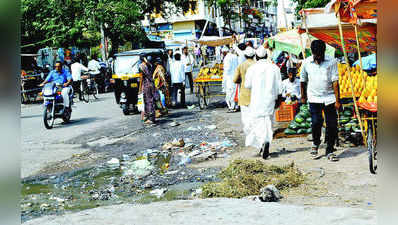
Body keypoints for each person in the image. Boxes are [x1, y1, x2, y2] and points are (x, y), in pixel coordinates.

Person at [300, 40, 340, 161]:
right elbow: (303, 80)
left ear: (324, 52)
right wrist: (303, 96)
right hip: (314, 98)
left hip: (329, 98)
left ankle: (330, 149)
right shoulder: (306, 62)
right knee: (316, 122)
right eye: (316, 55)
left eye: (320, 55)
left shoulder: (332, 62)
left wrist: (338, 100)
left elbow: (335, 81)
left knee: (332, 125)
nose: (318, 58)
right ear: (312, 52)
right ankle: (315, 144)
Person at [245, 46, 282, 159]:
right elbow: (279, 87)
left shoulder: (252, 69)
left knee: (258, 123)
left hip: (257, 100)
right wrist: (279, 99)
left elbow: (247, 85)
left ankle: (263, 142)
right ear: (267, 56)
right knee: (268, 122)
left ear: (256, 56)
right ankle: (266, 143)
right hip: (270, 99)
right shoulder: (274, 68)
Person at [233, 47, 256, 135]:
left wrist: (241, 80)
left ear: (245, 56)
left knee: (246, 116)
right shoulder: (256, 65)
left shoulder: (241, 66)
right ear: (254, 55)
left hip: (244, 95)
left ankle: (249, 133)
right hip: (255, 94)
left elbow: (235, 80)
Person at [139, 55, 157, 125]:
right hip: (151, 84)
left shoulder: (142, 66)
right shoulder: (149, 64)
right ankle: (150, 117)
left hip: (146, 85)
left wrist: (140, 88)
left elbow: (141, 78)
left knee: (148, 101)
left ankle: (151, 118)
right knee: (150, 101)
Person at [222, 46, 239, 112]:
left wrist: (224, 82)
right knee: (234, 92)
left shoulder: (226, 58)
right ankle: (236, 106)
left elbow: (227, 69)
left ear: (224, 52)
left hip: (229, 78)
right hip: (235, 76)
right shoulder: (235, 56)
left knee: (230, 93)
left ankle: (231, 107)